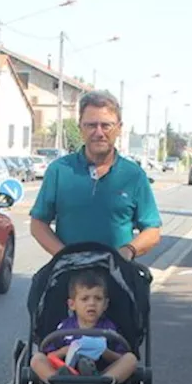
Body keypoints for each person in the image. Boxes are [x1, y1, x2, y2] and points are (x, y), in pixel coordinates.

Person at [30, 90, 163, 263]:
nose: (99, 133)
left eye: (106, 125)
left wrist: (128, 251)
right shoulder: (59, 170)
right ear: (80, 128)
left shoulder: (134, 175)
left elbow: (152, 230)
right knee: (38, 287)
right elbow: (38, 224)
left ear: (119, 129)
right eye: (91, 125)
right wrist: (65, 256)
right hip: (69, 274)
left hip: (117, 275)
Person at [30, 270, 138, 384]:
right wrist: (66, 350)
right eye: (85, 298)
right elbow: (49, 355)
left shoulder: (110, 329)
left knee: (131, 359)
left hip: (102, 375)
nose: (92, 303)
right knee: (37, 359)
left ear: (106, 304)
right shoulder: (64, 327)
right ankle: (56, 383)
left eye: (98, 299)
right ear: (72, 304)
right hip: (67, 376)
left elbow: (120, 358)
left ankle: (104, 382)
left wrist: (104, 352)